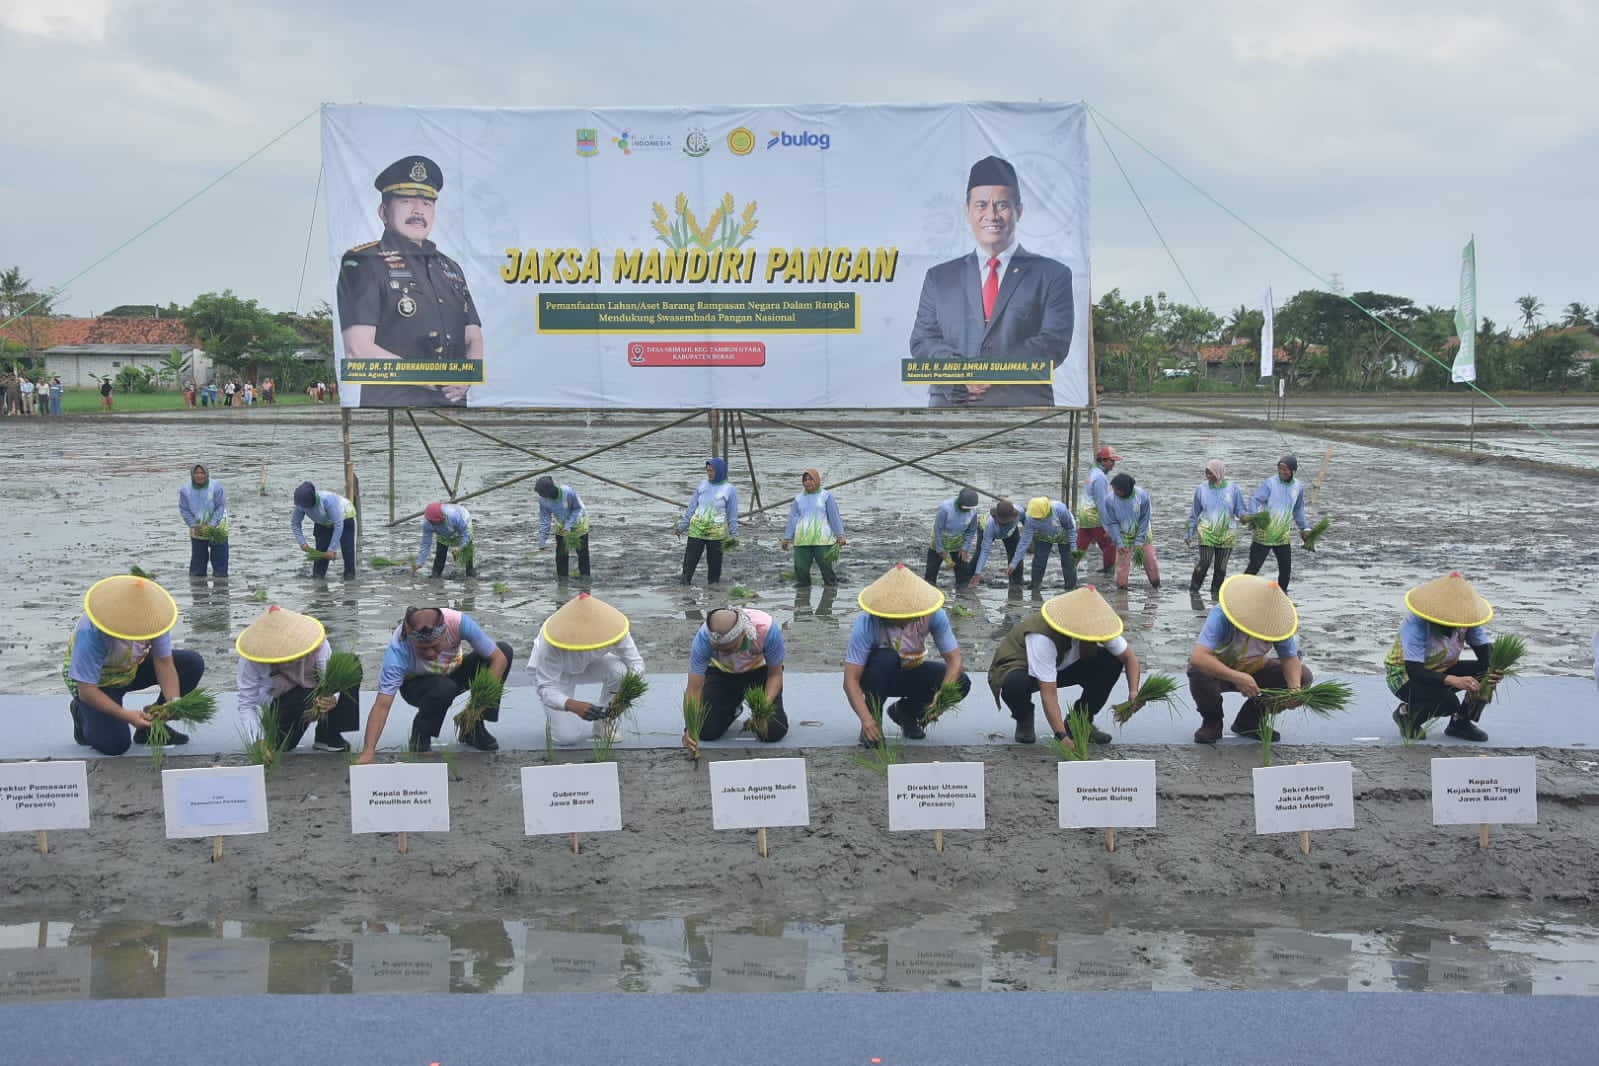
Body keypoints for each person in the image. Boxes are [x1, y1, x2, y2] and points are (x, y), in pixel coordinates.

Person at [909, 155, 1074, 407]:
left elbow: (1054, 343)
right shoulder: (939, 278)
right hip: (950, 412)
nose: (991, 214)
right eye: (981, 205)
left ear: (1019, 210)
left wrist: (992, 370)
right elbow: (922, 341)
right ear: (967, 211)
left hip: (1024, 416)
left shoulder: (1052, 275)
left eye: (1002, 205)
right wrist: (959, 374)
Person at [337, 155, 484, 408]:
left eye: (427, 203)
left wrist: (468, 376)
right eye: (406, 201)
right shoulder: (363, 262)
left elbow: (474, 337)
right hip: (392, 408)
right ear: (384, 211)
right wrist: (427, 376)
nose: (418, 211)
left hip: (455, 406)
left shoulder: (450, 268)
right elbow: (358, 349)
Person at [64, 574, 206, 755]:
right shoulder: (91, 631)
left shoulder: (155, 619)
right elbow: (87, 689)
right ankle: (81, 714)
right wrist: (126, 715)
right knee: (115, 745)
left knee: (191, 664)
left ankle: (150, 728)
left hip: (130, 668)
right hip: (98, 682)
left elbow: (163, 662)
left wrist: (173, 703)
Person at [986, 586, 1140, 746]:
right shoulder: (1042, 637)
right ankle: (1024, 717)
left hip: (1063, 665)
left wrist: (1134, 692)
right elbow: (1049, 693)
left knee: (1111, 661)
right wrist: (1061, 736)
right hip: (1022, 666)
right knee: (1014, 685)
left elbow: (1129, 658)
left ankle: (1080, 721)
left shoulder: (1097, 623)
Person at [356, 605, 514, 759]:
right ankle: (420, 738)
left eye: (434, 646)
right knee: (444, 688)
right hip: (418, 686)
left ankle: (472, 727)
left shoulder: (458, 622)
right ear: (411, 640)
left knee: (504, 652)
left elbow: (498, 659)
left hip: (453, 671)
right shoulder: (397, 652)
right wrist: (368, 751)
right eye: (422, 649)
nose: (430, 653)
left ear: (445, 632)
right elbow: (382, 705)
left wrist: (476, 707)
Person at [843, 564, 971, 744]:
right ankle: (874, 722)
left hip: (911, 670)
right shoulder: (867, 622)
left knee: (960, 681)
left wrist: (942, 696)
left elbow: (955, 659)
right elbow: (851, 679)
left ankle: (907, 712)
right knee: (886, 657)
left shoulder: (933, 615)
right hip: (877, 676)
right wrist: (866, 719)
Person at [1188, 574, 1312, 744]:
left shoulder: (1277, 622)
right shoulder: (1223, 615)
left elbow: (1289, 658)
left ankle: (1250, 721)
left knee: (1303, 677)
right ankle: (1212, 722)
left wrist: (1295, 690)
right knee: (1198, 671)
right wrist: (1237, 677)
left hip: (1255, 668)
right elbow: (1198, 657)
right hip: (1219, 672)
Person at [1385, 572, 1503, 742]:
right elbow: (1414, 670)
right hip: (1405, 676)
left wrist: (1495, 670)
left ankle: (1460, 722)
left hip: (1442, 668)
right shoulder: (1417, 624)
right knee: (1448, 703)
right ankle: (1406, 715)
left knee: (1485, 672)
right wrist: (1452, 680)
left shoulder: (1467, 621)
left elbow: (1486, 654)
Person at [234, 606, 359, 754]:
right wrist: (257, 740)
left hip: (312, 691)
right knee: (282, 746)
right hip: (281, 701)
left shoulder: (316, 643)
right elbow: (247, 704)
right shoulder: (252, 658)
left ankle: (328, 735)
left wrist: (333, 698)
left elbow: (330, 678)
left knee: (350, 666)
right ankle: (278, 738)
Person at [528, 593, 645, 746]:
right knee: (567, 738)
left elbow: (636, 664)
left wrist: (623, 697)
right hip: (557, 675)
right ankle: (558, 719)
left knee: (620, 671)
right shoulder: (551, 640)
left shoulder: (613, 627)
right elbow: (546, 688)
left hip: (588, 665)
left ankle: (604, 721)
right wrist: (573, 705)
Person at [682, 606, 788, 754]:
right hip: (722, 675)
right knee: (705, 732)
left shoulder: (766, 629)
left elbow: (775, 675)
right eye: (719, 650)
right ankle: (733, 709)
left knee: (772, 732)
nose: (724, 653)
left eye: (729, 649)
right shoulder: (703, 638)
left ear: (743, 633)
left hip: (759, 673)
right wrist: (690, 727)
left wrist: (761, 709)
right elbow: (694, 688)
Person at [1243, 454, 1311, 592]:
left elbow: (1298, 509)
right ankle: (1241, 591)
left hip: (1282, 536)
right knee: (1254, 566)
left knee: (1286, 569)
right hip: (1264, 534)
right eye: (1280, 469)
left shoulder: (1298, 486)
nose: (1282, 472)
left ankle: (1282, 596)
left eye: (1285, 469)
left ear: (1293, 470)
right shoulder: (1270, 483)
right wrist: (1255, 516)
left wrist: (1305, 527)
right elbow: (1254, 499)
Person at [1185, 459, 1247, 599]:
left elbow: (1240, 509)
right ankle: (1194, 589)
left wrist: (1245, 517)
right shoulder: (1201, 489)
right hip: (1207, 532)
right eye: (1207, 473)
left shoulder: (1233, 488)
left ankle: (1215, 593)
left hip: (1227, 534)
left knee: (1221, 567)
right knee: (1205, 562)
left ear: (1219, 472)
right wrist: (1189, 533)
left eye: (1211, 473)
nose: (1208, 476)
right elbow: (1194, 513)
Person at [676, 458, 738, 585]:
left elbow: (732, 514)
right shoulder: (702, 485)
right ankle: (684, 587)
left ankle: (713, 592)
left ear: (720, 471)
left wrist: (734, 534)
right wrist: (681, 526)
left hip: (717, 534)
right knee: (689, 563)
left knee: (715, 568)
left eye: (712, 471)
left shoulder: (729, 489)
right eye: (707, 470)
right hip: (696, 530)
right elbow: (692, 507)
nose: (709, 473)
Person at [781, 468, 846, 587]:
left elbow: (834, 517)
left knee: (826, 568)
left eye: (810, 479)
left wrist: (840, 535)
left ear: (817, 480)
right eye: (805, 480)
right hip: (802, 541)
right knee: (800, 568)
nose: (808, 482)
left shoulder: (826, 496)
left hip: (822, 540)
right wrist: (787, 537)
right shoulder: (798, 499)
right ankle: (803, 596)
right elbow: (793, 519)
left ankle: (831, 591)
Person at [1101, 473, 1160, 590]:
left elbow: (1145, 518)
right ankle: (1122, 590)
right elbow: (1112, 522)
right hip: (1123, 535)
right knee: (1122, 565)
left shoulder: (1141, 496)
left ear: (1126, 490)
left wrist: (1139, 541)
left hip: (1142, 533)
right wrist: (1119, 542)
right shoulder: (1110, 500)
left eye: (1117, 490)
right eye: (1113, 489)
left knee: (1150, 560)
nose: (1115, 492)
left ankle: (1156, 585)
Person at [290, 480, 357, 579]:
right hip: (323, 522)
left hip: (344, 517)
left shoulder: (327, 501)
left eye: (305, 505)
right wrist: (302, 542)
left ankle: (349, 578)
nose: (302, 507)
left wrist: (332, 549)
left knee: (348, 552)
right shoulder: (301, 504)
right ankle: (318, 579)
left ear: (312, 500)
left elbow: (338, 525)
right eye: (301, 505)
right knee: (321, 552)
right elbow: (295, 523)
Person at [1014, 496, 1078, 592]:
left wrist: (1073, 548)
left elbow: (1070, 529)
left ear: (1046, 512)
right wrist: (1014, 562)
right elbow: (1024, 541)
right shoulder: (1030, 517)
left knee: (1068, 561)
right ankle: (1035, 585)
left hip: (1064, 532)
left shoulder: (1060, 510)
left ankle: (1070, 587)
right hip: (1044, 534)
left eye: (1039, 518)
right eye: (1035, 518)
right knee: (1039, 559)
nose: (1037, 520)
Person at [534, 476, 591, 579]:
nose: (541, 497)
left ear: (549, 491)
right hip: (561, 524)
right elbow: (545, 520)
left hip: (579, 521)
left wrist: (569, 526)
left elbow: (577, 509)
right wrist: (542, 540)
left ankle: (585, 579)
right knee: (561, 554)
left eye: (542, 494)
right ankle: (562, 581)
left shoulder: (568, 492)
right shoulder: (543, 501)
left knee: (582, 553)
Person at [179, 463, 229, 577]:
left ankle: (221, 589)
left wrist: (211, 525)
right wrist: (192, 524)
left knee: (220, 561)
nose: (199, 476)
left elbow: (220, 506)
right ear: (192, 475)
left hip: (218, 526)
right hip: (197, 526)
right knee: (198, 563)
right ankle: (198, 591)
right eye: (196, 473)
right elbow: (184, 509)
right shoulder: (185, 490)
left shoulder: (216, 486)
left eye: (202, 473)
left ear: (207, 474)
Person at [924, 487, 980, 587]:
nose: (967, 511)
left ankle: (962, 591)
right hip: (941, 538)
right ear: (959, 503)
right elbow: (938, 529)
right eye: (965, 508)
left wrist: (965, 548)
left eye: (969, 508)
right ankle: (930, 589)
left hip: (957, 541)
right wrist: (940, 549)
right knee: (931, 571)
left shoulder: (973, 511)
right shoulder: (945, 508)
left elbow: (971, 531)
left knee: (962, 573)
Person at [1076, 446, 1120, 573]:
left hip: (1084, 514)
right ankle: (1108, 572)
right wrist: (1107, 527)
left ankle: (1068, 567)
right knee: (1110, 544)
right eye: (1112, 461)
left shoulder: (1092, 472)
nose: (1113, 464)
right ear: (1104, 461)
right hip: (1095, 516)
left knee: (1081, 545)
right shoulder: (1100, 478)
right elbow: (1101, 503)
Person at [968, 498, 1023, 588]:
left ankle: (1016, 583)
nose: (1004, 524)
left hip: (1010, 532)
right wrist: (978, 573)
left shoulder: (1020, 511)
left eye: (1007, 522)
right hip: (985, 528)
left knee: (1014, 554)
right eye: (1002, 522)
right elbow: (985, 551)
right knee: (978, 554)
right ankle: (967, 578)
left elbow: (1027, 522)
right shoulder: (990, 525)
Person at [415, 501, 474, 578]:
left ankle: (471, 574)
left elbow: (466, 534)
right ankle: (436, 575)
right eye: (434, 522)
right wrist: (419, 563)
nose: (436, 523)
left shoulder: (454, 517)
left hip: (462, 522)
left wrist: (460, 548)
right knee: (440, 552)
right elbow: (426, 544)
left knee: (467, 551)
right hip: (444, 531)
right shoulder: (428, 524)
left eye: (439, 521)